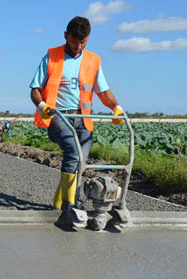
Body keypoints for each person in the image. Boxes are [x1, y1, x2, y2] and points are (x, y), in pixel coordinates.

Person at [29, 16, 125, 228]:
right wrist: (42, 106)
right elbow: (35, 89)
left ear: (88, 39)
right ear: (66, 36)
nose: (78, 46)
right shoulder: (52, 56)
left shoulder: (93, 60)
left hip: (84, 118)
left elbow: (103, 90)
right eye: (74, 41)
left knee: (80, 162)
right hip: (57, 116)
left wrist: (116, 108)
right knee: (73, 153)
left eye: (83, 42)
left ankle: (60, 199)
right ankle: (70, 205)